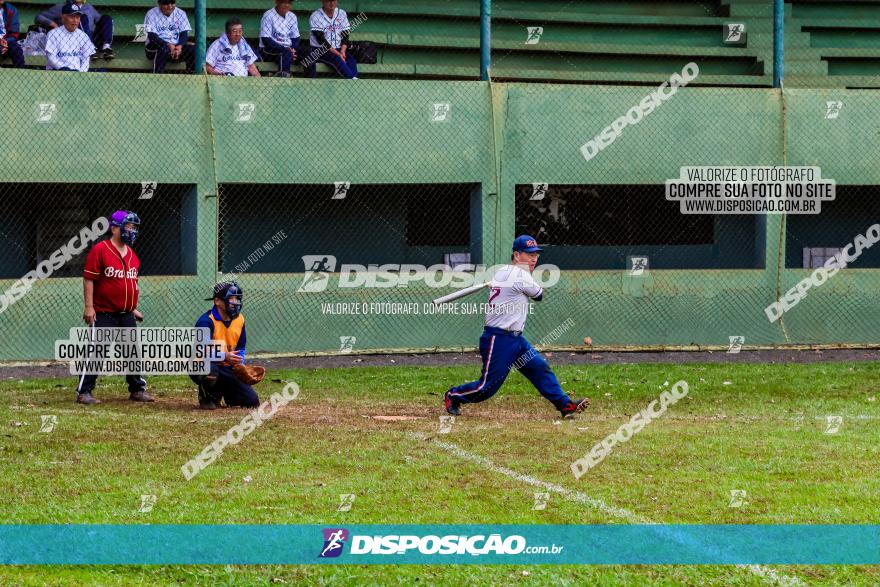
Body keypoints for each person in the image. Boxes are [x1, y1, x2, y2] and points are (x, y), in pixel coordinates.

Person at [444, 235, 589, 419]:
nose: (534, 258)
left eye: (536, 254)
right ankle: (453, 395)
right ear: (516, 255)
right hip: (499, 339)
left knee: (539, 368)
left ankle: (565, 405)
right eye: (529, 254)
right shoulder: (519, 275)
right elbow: (539, 295)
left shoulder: (503, 271)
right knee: (486, 388)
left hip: (515, 340)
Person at [76, 211, 153, 405]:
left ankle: (137, 389)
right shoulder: (100, 250)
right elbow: (89, 279)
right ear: (114, 228)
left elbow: (130, 284)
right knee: (97, 350)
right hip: (103, 312)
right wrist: (89, 307)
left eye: (134, 227)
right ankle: (84, 392)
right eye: (128, 226)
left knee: (132, 351)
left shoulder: (133, 255)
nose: (132, 231)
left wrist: (133, 307)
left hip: (126, 313)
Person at [191, 282, 260, 410]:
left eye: (237, 298)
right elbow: (200, 352)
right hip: (201, 364)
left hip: (226, 367)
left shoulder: (240, 320)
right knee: (211, 371)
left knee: (252, 401)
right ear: (217, 301)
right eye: (231, 298)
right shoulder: (206, 321)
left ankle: (228, 394)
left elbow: (241, 348)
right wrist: (224, 356)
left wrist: (241, 365)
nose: (235, 302)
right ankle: (207, 396)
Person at [35, 0, 114, 59]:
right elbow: (39, 17)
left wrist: (107, 21)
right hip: (73, 40)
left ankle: (105, 48)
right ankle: (90, 48)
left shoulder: (88, 7)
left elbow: (101, 21)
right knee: (82, 18)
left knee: (107, 18)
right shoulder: (63, 7)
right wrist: (53, 24)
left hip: (93, 39)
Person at [259, 0, 314, 78]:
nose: (287, 5)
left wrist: (292, 49)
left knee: (309, 53)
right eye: (284, 2)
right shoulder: (268, 15)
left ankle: (311, 81)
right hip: (269, 50)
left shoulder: (292, 16)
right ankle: (283, 79)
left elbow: (296, 38)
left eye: (289, 3)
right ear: (277, 2)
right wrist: (286, 49)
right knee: (285, 52)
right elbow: (266, 39)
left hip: (289, 49)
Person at [308, 0, 356, 79]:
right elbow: (321, 40)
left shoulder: (341, 13)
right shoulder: (316, 15)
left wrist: (343, 51)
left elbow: (345, 34)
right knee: (337, 59)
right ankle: (352, 79)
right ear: (322, 1)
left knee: (351, 60)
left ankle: (354, 79)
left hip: (339, 48)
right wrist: (338, 54)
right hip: (320, 50)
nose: (331, 3)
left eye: (333, 0)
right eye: (328, 1)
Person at [144, 0, 194, 73]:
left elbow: (184, 34)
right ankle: (157, 76)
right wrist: (168, 45)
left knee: (193, 49)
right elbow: (152, 36)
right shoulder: (151, 13)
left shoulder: (180, 13)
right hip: (156, 47)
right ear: (159, 3)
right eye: (166, 3)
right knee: (165, 48)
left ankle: (191, 76)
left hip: (176, 48)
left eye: (172, 3)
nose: (170, 6)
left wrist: (179, 46)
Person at [44, 2, 94, 72]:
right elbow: (51, 58)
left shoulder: (83, 36)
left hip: (77, 73)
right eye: (72, 17)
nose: (75, 20)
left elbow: (86, 59)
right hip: (57, 72)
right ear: (63, 18)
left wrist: (81, 72)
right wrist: (64, 69)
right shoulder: (53, 34)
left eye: (77, 17)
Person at [0, 1, 26, 67]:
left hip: (6, 41)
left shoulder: (10, 9)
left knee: (16, 48)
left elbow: (14, 33)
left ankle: (20, 72)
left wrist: (5, 42)